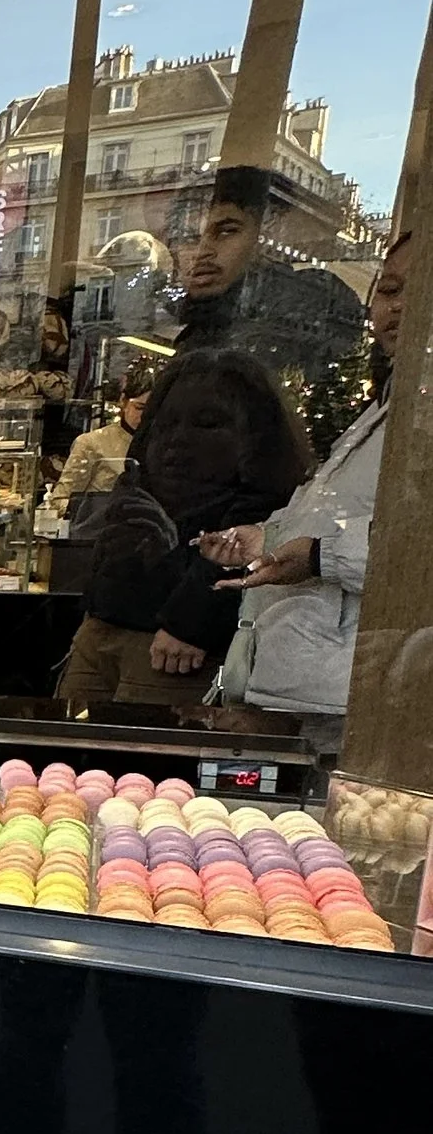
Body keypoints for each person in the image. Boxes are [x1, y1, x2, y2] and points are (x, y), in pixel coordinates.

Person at [202, 225, 412, 758]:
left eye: (419, 288)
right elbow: (346, 515)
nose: (397, 307)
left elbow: (417, 550)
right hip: (314, 689)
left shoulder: (416, 411)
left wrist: (319, 556)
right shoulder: (395, 405)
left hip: (355, 693)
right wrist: (269, 538)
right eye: (388, 289)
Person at [53, 348, 309, 717]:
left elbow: (252, 537)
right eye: (168, 422)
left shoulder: (262, 471)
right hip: (106, 627)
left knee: (143, 765)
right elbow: (129, 510)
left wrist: (192, 622)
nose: (178, 437)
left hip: (168, 646)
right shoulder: (150, 459)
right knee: (67, 760)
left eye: (207, 424)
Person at [165, 165, 365, 410]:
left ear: (266, 237)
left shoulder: (311, 308)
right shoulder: (200, 329)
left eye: (227, 231)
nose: (201, 252)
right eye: (188, 237)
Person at [43, 364, 154, 523]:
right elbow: (60, 500)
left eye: (151, 409)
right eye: (139, 408)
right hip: (96, 535)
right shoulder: (91, 443)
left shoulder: (162, 444)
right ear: (123, 401)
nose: (144, 416)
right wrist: (95, 510)